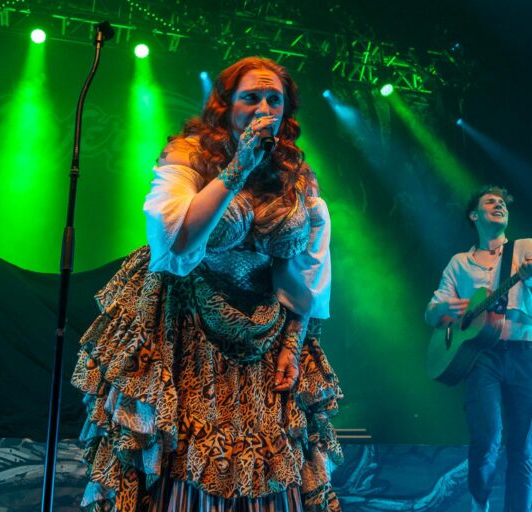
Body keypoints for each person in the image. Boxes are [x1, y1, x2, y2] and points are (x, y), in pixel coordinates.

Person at [71, 56, 343, 512]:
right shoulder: (190, 155)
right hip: (187, 327)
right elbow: (175, 241)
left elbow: (309, 269)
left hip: (264, 338)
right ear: (226, 104)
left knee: (267, 460)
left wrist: (293, 347)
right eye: (250, 97)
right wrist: (239, 167)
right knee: (187, 454)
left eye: (273, 100)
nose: (263, 108)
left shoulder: (295, 174)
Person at [424, 185, 532, 512]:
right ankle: (479, 507)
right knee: (486, 441)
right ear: (474, 215)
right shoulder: (459, 263)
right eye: (490, 201)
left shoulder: (528, 247)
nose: (499, 204)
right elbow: (432, 312)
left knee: (524, 450)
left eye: (502, 202)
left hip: (525, 354)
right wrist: (445, 309)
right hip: (482, 358)